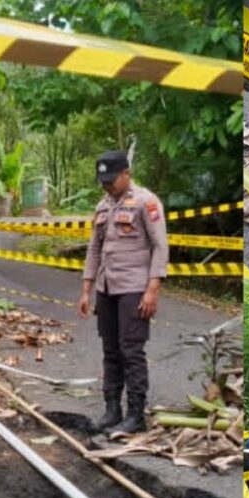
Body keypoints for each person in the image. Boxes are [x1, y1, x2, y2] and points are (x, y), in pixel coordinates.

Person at [79, 150, 168, 436]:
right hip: (107, 288)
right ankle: (112, 410)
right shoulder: (102, 206)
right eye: (103, 180)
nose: (106, 185)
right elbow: (94, 249)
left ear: (126, 174)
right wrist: (86, 290)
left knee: (131, 351)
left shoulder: (146, 202)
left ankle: (135, 415)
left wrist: (152, 289)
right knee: (111, 350)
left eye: (111, 180)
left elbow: (160, 246)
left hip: (134, 287)